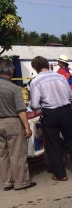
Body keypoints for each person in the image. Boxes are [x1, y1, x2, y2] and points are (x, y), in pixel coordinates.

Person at [29, 56, 72, 181]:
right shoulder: (61, 77)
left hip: (50, 114)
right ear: (47, 65)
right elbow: (71, 97)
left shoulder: (36, 81)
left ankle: (61, 174)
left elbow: (35, 105)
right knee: (71, 141)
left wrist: (33, 105)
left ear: (36, 68)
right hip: (65, 111)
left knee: (53, 145)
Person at [0, 59, 36, 191]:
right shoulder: (14, 88)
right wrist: (27, 127)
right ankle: (20, 182)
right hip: (12, 122)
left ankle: (7, 182)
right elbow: (21, 110)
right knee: (17, 153)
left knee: (2, 154)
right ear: (12, 71)